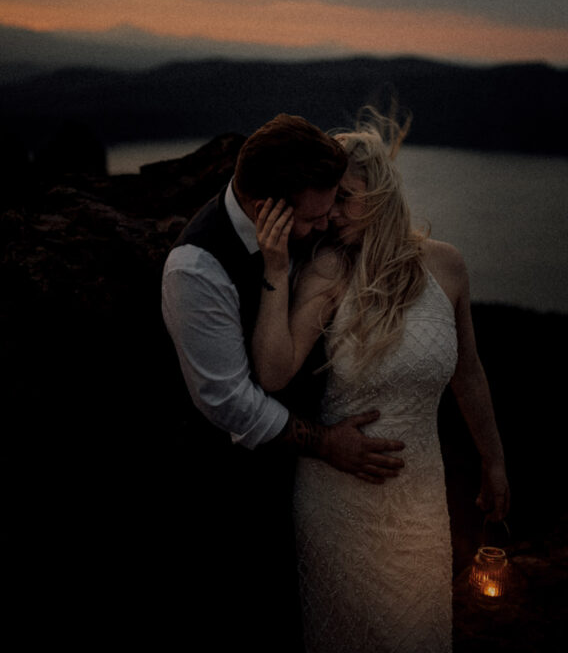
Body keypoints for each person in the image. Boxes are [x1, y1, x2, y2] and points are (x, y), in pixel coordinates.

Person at [251, 111, 510, 653]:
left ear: (381, 192)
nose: (330, 215)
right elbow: (274, 372)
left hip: (420, 506)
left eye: (344, 197)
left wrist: (493, 459)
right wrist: (276, 269)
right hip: (337, 505)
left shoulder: (447, 268)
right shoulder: (328, 269)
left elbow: (469, 370)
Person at [161, 113, 406, 646]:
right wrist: (328, 445)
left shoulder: (307, 227)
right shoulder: (197, 268)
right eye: (314, 216)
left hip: (307, 482)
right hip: (234, 488)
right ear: (264, 207)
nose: (326, 226)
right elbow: (232, 404)